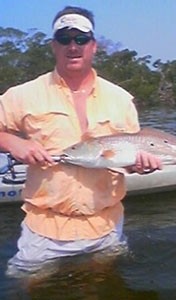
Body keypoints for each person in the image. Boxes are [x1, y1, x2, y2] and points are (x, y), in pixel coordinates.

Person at [0, 6, 161, 276]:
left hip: (106, 227)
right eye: (64, 39)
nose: (72, 46)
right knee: (26, 287)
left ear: (94, 46)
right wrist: (13, 143)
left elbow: (129, 159)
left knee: (103, 287)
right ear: (53, 46)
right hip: (43, 229)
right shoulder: (22, 95)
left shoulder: (121, 99)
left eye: (81, 39)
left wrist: (140, 165)